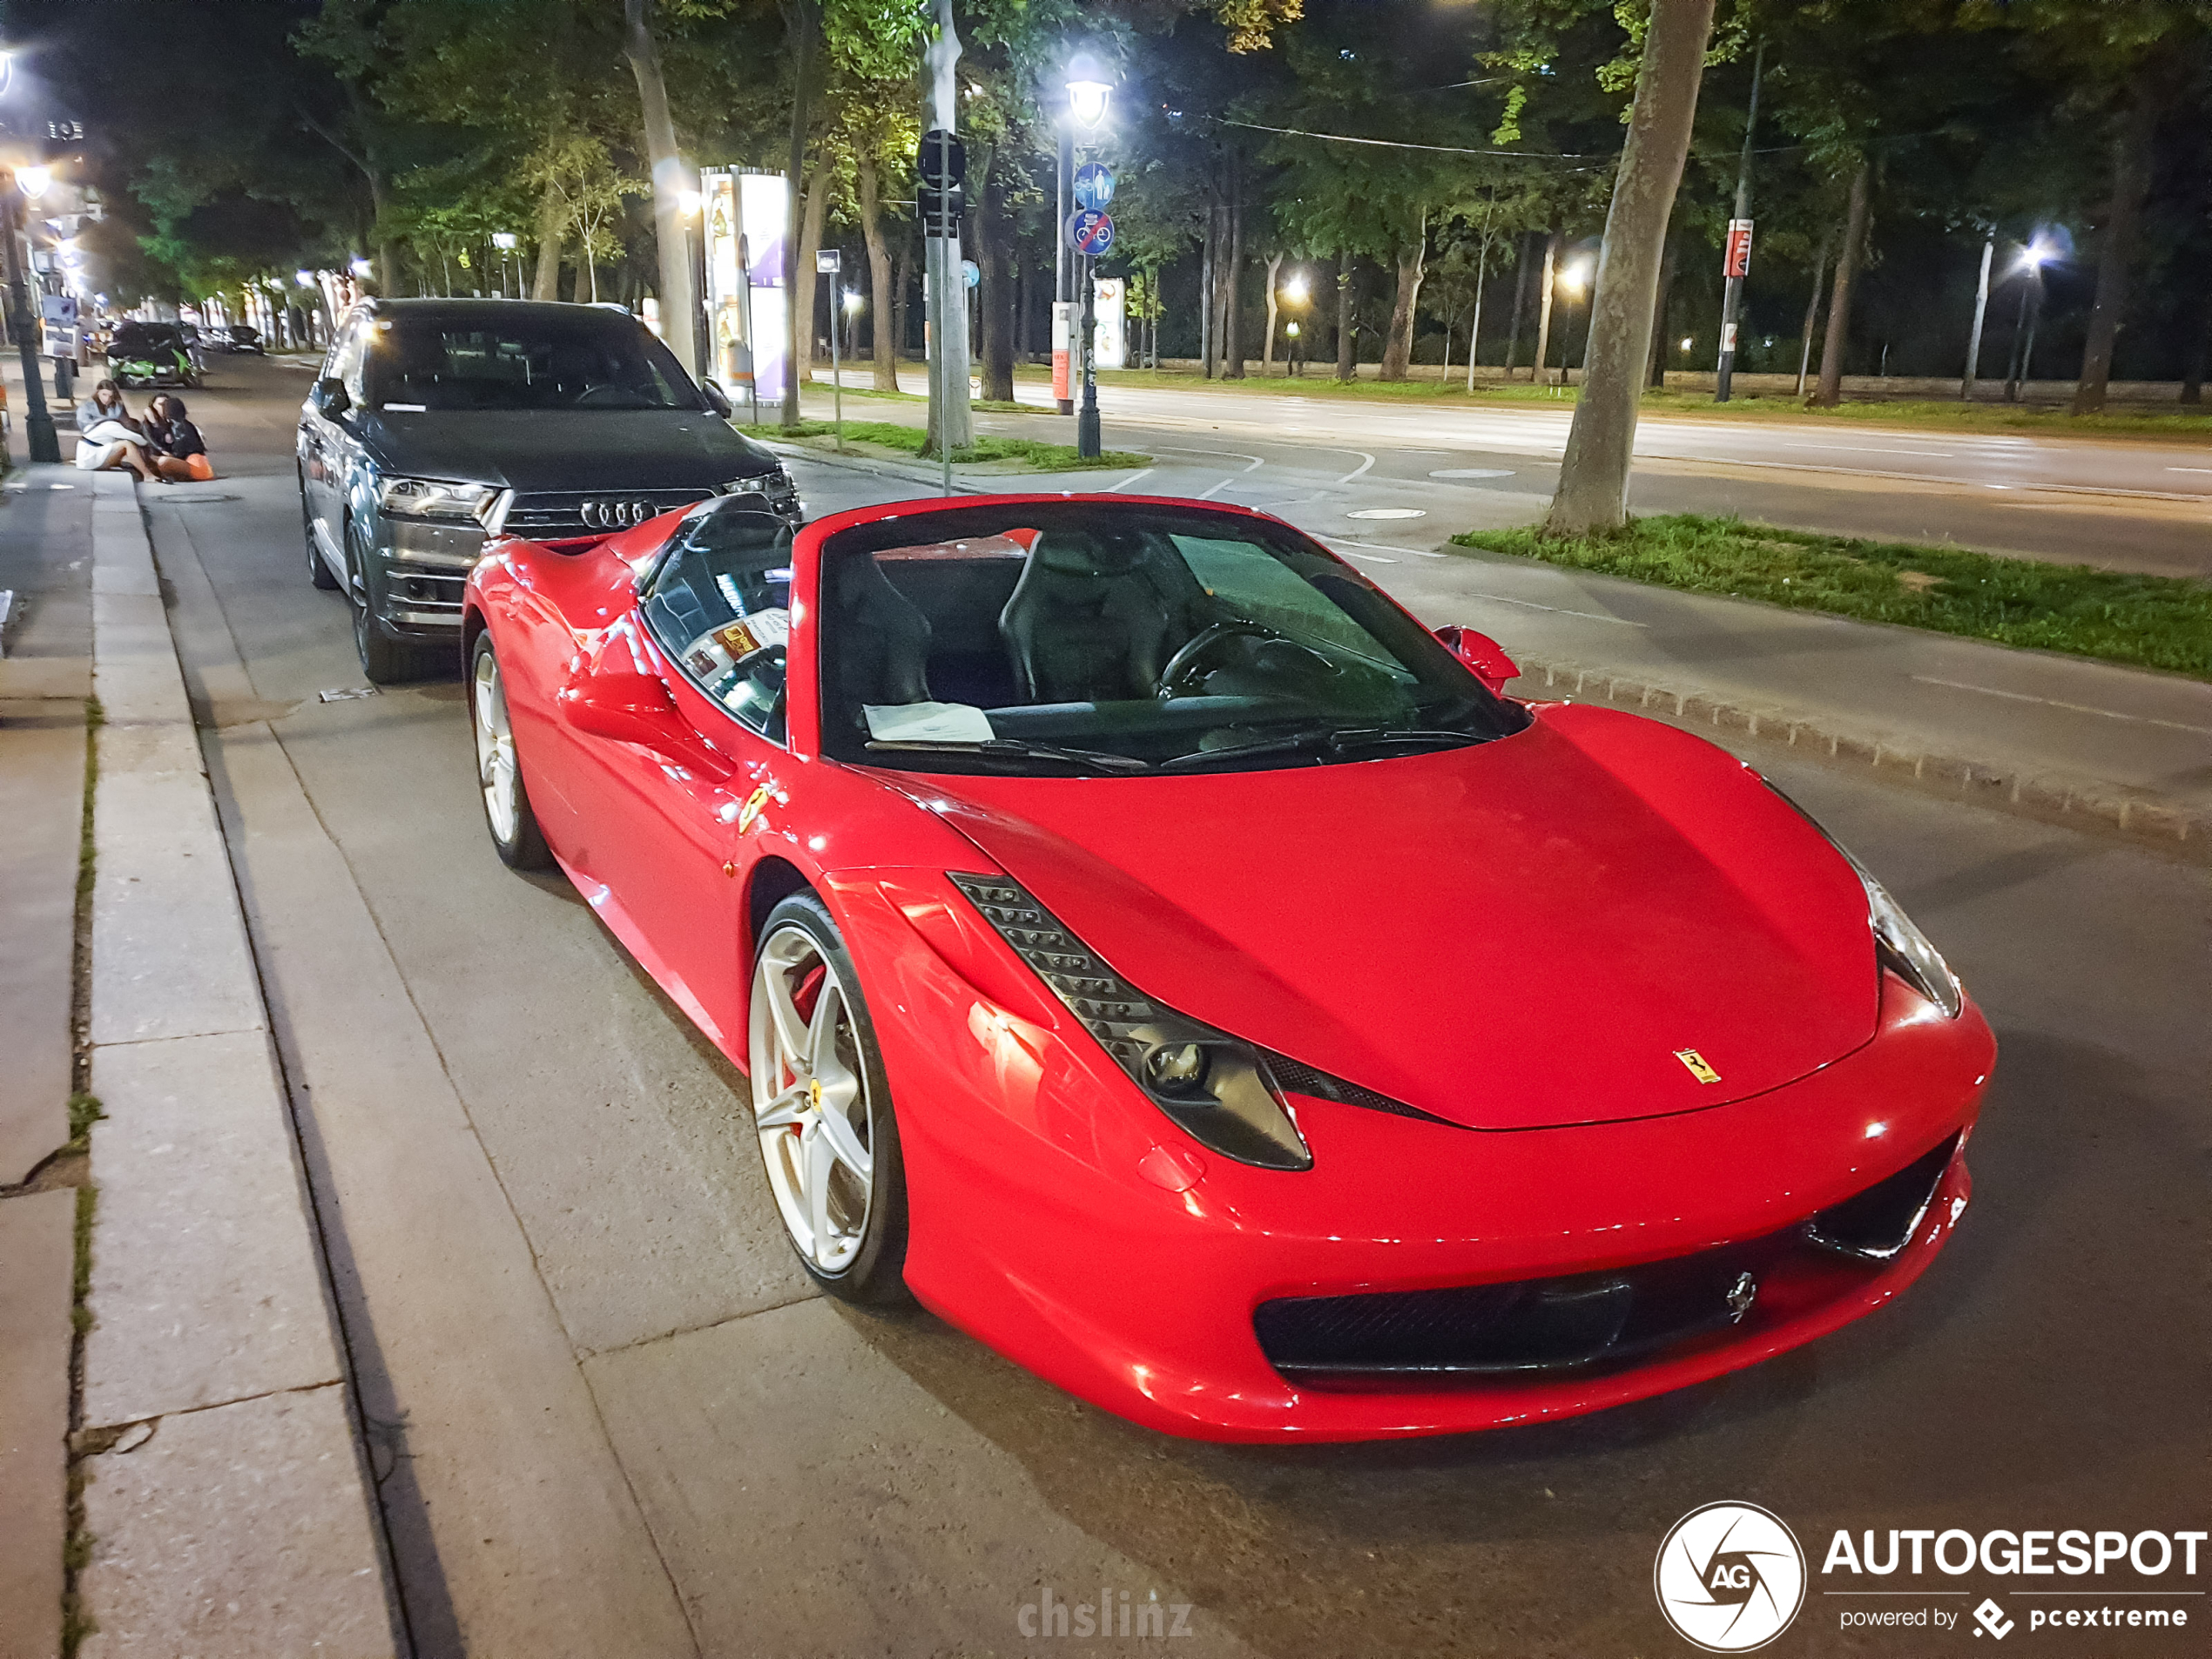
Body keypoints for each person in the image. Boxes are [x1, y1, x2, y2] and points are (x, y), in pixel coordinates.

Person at [74, 380, 164, 482]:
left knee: (129, 448)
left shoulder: (117, 409)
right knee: (127, 444)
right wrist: (148, 443)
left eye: (110, 396)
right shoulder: (91, 409)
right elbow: (134, 438)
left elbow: (126, 426)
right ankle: (147, 474)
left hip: (102, 447)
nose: (107, 399)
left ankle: (151, 470)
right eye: (104, 394)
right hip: (90, 454)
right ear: (98, 392)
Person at [145, 394, 214, 481]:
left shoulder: (179, 427)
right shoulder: (184, 424)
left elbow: (179, 453)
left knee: (163, 461)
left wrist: (158, 457)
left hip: (197, 467)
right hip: (196, 465)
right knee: (157, 460)